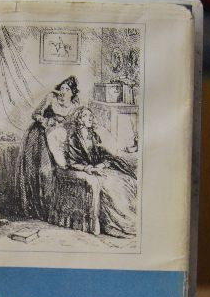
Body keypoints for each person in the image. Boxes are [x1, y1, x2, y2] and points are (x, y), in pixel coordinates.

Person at [65, 106, 137, 238]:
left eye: (91, 116)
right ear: (79, 119)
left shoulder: (94, 136)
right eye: (86, 116)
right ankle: (120, 224)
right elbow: (72, 162)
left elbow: (102, 154)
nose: (90, 118)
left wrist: (102, 164)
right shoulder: (73, 139)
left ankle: (134, 218)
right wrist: (88, 168)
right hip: (88, 171)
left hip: (99, 169)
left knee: (126, 180)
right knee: (111, 188)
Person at [18, 76, 79, 220]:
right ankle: (34, 208)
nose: (63, 91)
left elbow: (73, 125)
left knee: (54, 171)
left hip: (58, 139)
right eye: (62, 88)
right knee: (40, 170)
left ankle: (50, 210)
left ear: (73, 92)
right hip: (39, 136)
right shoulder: (51, 98)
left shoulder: (74, 107)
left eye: (67, 89)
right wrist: (46, 121)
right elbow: (35, 114)